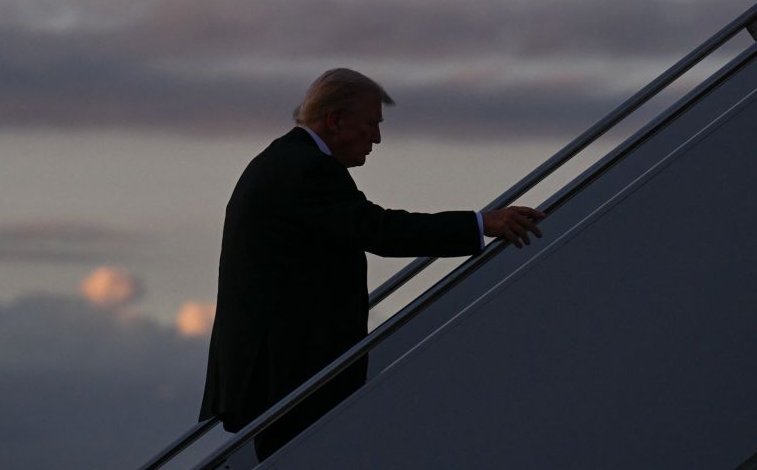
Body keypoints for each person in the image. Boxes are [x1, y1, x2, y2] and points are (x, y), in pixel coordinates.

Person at [198, 68, 545, 460]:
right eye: (371, 124)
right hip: (293, 370)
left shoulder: (283, 161)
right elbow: (380, 230)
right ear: (335, 120)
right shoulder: (307, 169)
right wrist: (482, 223)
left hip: (279, 369)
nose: (377, 138)